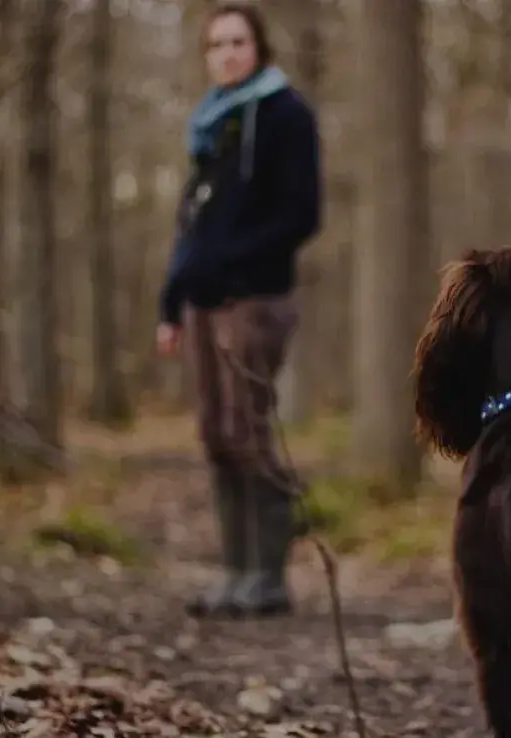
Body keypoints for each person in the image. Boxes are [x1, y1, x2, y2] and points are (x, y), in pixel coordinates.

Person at [156, 1, 321, 619]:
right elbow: (190, 225)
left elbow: (302, 214)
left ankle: (268, 575)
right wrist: (170, 302)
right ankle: (234, 571)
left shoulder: (285, 115)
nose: (227, 53)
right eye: (217, 44)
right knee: (216, 435)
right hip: (200, 303)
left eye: (238, 42)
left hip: (255, 298)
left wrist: (231, 261)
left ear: (259, 48)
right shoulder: (210, 125)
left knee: (251, 432)